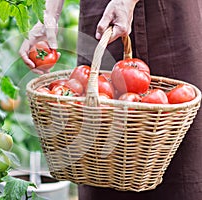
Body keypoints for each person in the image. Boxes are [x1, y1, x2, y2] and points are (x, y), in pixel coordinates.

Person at [19, 0, 202, 199]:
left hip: (170, 18)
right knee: (99, 155)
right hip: (102, 14)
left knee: (180, 171)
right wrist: (49, 14)